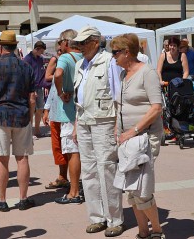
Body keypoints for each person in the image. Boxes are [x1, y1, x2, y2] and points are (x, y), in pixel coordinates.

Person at [112, 33, 165, 239]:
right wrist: (119, 133)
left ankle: (157, 231)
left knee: (142, 190)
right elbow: (121, 107)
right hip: (126, 139)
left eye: (115, 52)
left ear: (127, 52)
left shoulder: (147, 73)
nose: (113, 57)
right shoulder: (123, 75)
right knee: (131, 190)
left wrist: (133, 131)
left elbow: (156, 108)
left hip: (144, 138)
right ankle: (144, 232)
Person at [73, 26, 124, 237]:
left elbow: (118, 95)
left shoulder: (110, 62)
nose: (80, 47)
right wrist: (76, 124)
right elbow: (78, 98)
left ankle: (115, 219)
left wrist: (117, 125)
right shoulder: (79, 65)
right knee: (89, 170)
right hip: (84, 121)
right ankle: (97, 217)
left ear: (95, 42)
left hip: (104, 121)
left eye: (83, 43)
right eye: (79, 43)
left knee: (106, 168)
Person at [0, 30, 36, 212]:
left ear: (0, 47)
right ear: (14, 47)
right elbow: (32, 97)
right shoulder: (26, 67)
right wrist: (30, 117)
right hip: (21, 114)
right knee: (22, 158)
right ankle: (23, 199)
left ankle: (2, 200)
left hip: (0, 115)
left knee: (2, 159)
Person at [53, 29, 84, 204]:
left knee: (73, 153)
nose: (59, 45)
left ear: (66, 42)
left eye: (60, 42)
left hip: (70, 111)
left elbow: (57, 74)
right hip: (83, 109)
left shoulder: (65, 58)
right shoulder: (84, 57)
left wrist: (60, 91)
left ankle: (74, 191)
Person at [42, 42, 70, 190]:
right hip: (55, 111)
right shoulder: (58, 61)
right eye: (57, 50)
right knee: (58, 147)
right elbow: (52, 86)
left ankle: (73, 180)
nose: (59, 52)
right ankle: (62, 176)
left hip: (67, 112)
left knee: (71, 148)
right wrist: (46, 109)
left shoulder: (71, 61)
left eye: (61, 49)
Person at [23, 40, 50, 138]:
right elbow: (25, 75)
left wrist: (45, 85)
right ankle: (29, 132)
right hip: (31, 88)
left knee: (40, 109)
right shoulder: (27, 59)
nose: (42, 53)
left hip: (39, 87)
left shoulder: (39, 59)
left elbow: (42, 73)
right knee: (31, 110)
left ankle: (37, 131)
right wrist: (32, 89)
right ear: (37, 49)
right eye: (41, 51)